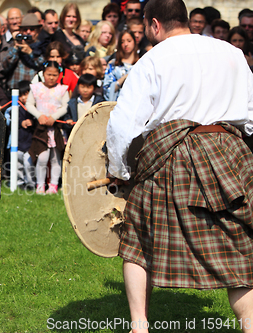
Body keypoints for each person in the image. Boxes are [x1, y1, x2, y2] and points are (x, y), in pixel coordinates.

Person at [105, 1, 253, 332]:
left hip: (171, 157)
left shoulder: (153, 59)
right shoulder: (230, 52)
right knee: (240, 249)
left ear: (154, 24)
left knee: (137, 241)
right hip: (229, 155)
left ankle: (139, 326)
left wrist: (119, 170)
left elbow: (121, 125)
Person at [26, 61, 69, 194]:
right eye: (48, 74)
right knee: (42, 156)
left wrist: (54, 117)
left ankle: (53, 186)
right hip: (41, 127)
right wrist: (39, 115)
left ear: (59, 75)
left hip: (56, 128)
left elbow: (65, 106)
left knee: (56, 157)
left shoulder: (62, 89)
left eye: (54, 75)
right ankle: (40, 185)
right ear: (43, 74)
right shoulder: (36, 87)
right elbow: (29, 104)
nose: (51, 77)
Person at [4, 80, 35, 190]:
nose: (23, 97)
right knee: (17, 164)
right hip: (17, 142)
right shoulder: (14, 107)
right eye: (21, 95)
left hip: (30, 143)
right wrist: (20, 122)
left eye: (27, 94)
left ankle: (31, 183)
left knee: (28, 164)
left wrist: (33, 121)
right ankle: (19, 182)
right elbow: (9, 120)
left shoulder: (35, 108)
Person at [3, 13, 45, 90]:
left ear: (38, 31)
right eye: (25, 29)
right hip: (15, 89)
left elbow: (43, 65)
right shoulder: (14, 44)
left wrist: (30, 53)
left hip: (34, 90)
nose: (28, 32)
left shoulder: (42, 46)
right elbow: (5, 66)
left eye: (32, 30)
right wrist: (16, 48)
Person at [103, 30, 139, 101]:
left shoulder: (140, 64)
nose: (126, 44)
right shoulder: (113, 65)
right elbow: (107, 89)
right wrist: (124, 78)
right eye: (122, 42)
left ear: (134, 42)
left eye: (129, 41)